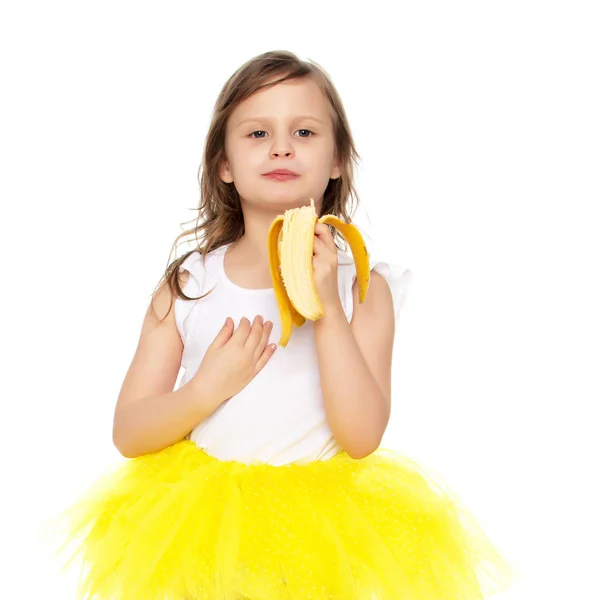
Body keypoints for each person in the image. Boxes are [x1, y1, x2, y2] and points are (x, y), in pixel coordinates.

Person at [42, 50, 517, 599]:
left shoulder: (362, 288)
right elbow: (129, 432)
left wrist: (328, 311)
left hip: (322, 535)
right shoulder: (189, 284)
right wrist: (204, 391)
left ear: (337, 159)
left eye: (306, 131)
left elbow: (361, 437)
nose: (282, 146)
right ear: (223, 164)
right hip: (202, 530)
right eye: (258, 132)